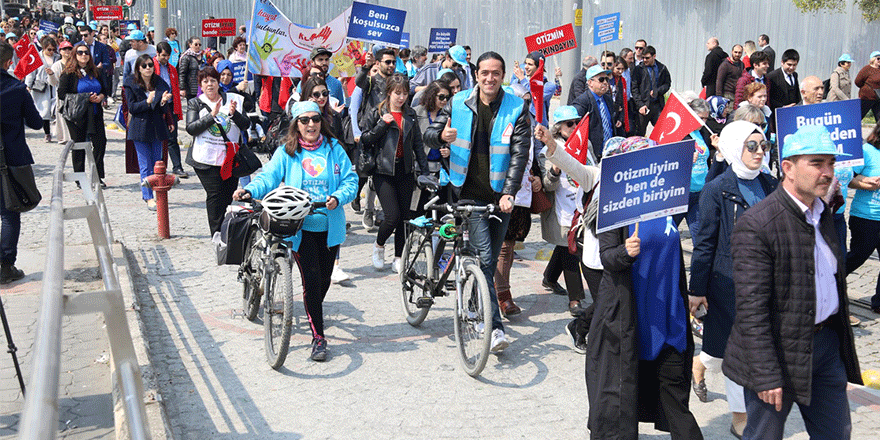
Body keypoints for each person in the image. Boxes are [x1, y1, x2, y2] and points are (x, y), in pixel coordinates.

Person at [724, 124, 862, 440]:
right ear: (787, 168)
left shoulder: (821, 211)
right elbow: (751, 309)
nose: (827, 171)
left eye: (830, 162)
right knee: (764, 436)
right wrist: (766, 373)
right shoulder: (758, 224)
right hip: (775, 353)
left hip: (825, 346)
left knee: (836, 433)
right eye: (816, 163)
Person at [586, 136, 704, 440]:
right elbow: (607, 258)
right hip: (629, 318)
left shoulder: (668, 204)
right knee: (620, 400)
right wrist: (626, 251)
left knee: (675, 397)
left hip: (668, 317)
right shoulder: (615, 206)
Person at [233, 101, 357, 361]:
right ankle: (319, 338)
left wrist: (339, 196)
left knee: (323, 280)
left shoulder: (334, 149)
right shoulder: (287, 152)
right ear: (296, 124)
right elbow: (268, 177)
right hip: (298, 226)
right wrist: (250, 190)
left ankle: (313, 310)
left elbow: (350, 180)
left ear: (321, 121)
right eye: (304, 120)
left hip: (329, 226)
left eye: (315, 119)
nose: (310, 124)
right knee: (311, 280)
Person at [424, 51, 531, 353]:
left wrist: (510, 192)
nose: (489, 78)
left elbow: (519, 153)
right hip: (466, 192)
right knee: (485, 258)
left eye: (496, 73)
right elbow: (430, 134)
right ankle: (493, 327)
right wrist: (441, 136)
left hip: (500, 197)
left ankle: (473, 305)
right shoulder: (458, 102)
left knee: (488, 260)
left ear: (503, 75)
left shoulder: (516, 107)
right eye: (484, 72)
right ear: (477, 74)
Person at [689, 121, 778, 438]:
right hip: (728, 284)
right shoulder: (716, 189)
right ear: (733, 147)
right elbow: (705, 243)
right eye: (751, 145)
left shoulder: (769, 184)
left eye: (763, 145)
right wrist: (697, 289)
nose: (758, 152)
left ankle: (701, 364)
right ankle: (740, 415)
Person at [360, 74, 429, 272]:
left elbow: (417, 144)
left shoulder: (411, 114)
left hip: (405, 170)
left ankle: (399, 257)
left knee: (405, 218)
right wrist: (383, 124)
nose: (401, 97)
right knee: (392, 216)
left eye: (405, 93)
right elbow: (365, 139)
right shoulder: (377, 112)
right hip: (383, 171)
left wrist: (424, 172)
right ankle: (379, 245)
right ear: (389, 92)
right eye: (397, 93)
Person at [534, 106, 594, 317]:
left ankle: (550, 278)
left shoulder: (586, 143)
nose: (575, 127)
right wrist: (554, 170)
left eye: (577, 122)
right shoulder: (547, 151)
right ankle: (575, 299)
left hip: (582, 203)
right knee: (571, 249)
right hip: (561, 207)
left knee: (566, 244)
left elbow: (593, 169)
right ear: (559, 128)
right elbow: (547, 186)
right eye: (570, 124)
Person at [185, 66, 249, 236]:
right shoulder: (195, 103)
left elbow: (246, 125)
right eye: (205, 81)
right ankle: (216, 233)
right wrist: (210, 116)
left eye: (213, 80)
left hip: (230, 158)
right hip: (205, 159)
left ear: (218, 82)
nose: (210, 85)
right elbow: (191, 128)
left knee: (228, 195)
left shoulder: (233, 99)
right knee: (215, 195)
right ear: (201, 84)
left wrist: (234, 114)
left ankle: (227, 230)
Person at [0, 41, 42, 284]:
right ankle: (6, 265)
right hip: (12, 159)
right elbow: (36, 123)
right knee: (9, 212)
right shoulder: (16, 89)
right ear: (8, 63)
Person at [124, 54, 174, 210]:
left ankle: (158, 192)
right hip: (140, 128)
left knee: (158, 163)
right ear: (139, 68)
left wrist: (163, 102)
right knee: (144, 164)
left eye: (150, 65)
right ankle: (148, 197)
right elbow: (132, 107)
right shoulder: (130, 83)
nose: (148, 68)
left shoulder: (159, 82)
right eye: (144, 66)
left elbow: (162, 108)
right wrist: (147, 101)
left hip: (157, 127)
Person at [58, 43, 110, 187]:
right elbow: (62, 94)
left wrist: (100, 97)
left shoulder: (95, 71)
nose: (83, 55)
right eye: (80, 53)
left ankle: (97, 176)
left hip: (95, 112)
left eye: (86, 52)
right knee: (79, 145)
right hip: (77, 115)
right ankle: (79, 177)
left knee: (100, 143)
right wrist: (85, 97)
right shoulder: (68, 73)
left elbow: (105, 89)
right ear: (75, 55)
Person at [846, 122, 880, 314]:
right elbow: (848, 179)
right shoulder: (867, 151)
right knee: (858, 256)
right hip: (866, 216)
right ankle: (829, 284)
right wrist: (868, 184)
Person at [672, 98, 717, 237]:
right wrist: (685, 160)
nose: (703, 122)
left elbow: (708, 159)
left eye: (706, 118)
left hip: (699, 191)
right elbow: (669, 162)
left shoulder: (703, 132)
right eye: (700, 117)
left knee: (699, 236)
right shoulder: (680, 133)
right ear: (691, 114)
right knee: (670, 231)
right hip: (682, 192)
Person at [571, 65, 623, 161]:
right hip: (593, 154)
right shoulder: (582, 102)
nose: (605, 83)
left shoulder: (607, 99)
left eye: (606, 79)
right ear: (590, 82)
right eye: (601, 79)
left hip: (610, 152)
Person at [154, 41, 187, 178]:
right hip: (156, 106)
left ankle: (177, 166)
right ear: (157, 54)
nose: (166, 58)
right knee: (157, 138)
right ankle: (158, 165)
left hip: (170, 106)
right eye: (163, 55)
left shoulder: (172, 68)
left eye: (168, 56)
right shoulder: (151, 66)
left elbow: (175, 86)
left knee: (173, 137)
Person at [509, 51, 560, 125]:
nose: (526, 67)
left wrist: (522, 79)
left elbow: (536, 96)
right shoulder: (518, 81)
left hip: (538, 128)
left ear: (539, 67)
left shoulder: (548, 86)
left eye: (530, 64)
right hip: (520, 126)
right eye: (525, 63)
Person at [24, 36, 58, 142]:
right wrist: (28, 85)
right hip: (41, 88)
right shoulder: (36, 57)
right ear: (43, 48)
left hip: (55, 86)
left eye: (53, 49)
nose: (51, 52)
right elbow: (31, 73)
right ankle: (47, 133)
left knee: (56, 109)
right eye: (49, 49)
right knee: (45, 111)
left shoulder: (57, 57)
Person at [634, 46, 671, 132]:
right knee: (640, 132)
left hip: (657, 105)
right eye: (643, 58)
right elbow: (634, 88)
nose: (644, 60)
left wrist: (658, 91)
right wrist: (640, 105)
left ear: (654, 56)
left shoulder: (662, 68)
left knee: (662, 130)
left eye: (647, 58)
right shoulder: (639, 69)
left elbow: (667, 83)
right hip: (644, 105)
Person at [47, 40, 72, 144]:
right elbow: (53, 83)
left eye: (69, 48)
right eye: (64, 49)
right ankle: (64, 137)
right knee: (62, 116)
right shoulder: (57, 65)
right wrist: (51, 74)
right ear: (60, 51)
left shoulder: (75, 63)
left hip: (75, 94)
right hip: (62, 94)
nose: (67, 51)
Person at [766, 49, 801, 113]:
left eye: (794, 65)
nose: (791, 68)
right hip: (778, 113)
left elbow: (797, 93)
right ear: (782, 62)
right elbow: (769, 98)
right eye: (789, 64)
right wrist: (783, 107)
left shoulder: (795, 75)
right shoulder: (772, 76)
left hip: (793, 112)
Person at [855, 51, 880, 121]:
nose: (879, 60)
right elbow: (857, 81)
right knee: (859, 116)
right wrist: (866, 89)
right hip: (866, 98)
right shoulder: (866, 69)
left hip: (877, 98)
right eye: (878, 58)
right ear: (873, 59)